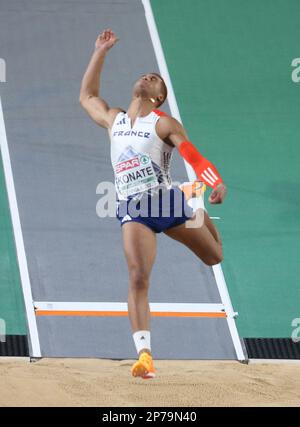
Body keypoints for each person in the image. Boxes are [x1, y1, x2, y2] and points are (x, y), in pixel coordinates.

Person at [79, 29, 227, 379]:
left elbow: (191, 153)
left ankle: (196, 203)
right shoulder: (114, 119)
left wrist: (213, 180)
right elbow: (87, 95)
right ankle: (144, 355)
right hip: (134, 209)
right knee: (138, 275)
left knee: (215, 256)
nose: (148, 77)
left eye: (155, 79)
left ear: (158, 97)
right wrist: (100, 51)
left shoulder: (162, 123)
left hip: (168, 203)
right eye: (145, 75)